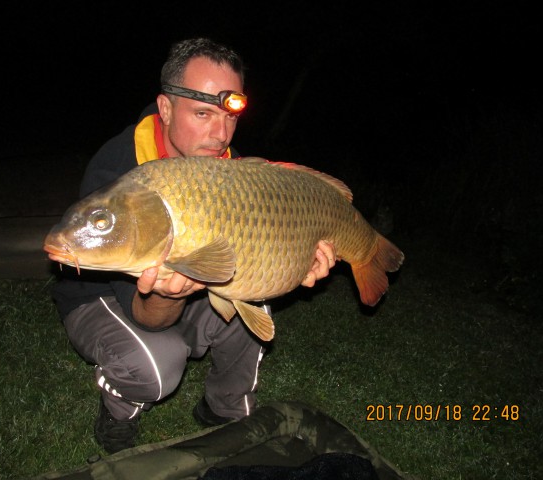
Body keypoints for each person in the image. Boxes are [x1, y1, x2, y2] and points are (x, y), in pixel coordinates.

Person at [51, 37, 336, 454]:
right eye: (203, 114)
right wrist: (169, 295)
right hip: (101, 299)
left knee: (250, 299)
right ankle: (119, 413)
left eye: (230, 118)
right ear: (165, 109)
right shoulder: (118, 169)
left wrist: (300, 260)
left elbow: (258, 247)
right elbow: (150, 316)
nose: (220, 134)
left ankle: (224, 411)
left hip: (180, 283)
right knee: (157, 362)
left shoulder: (220, 166)